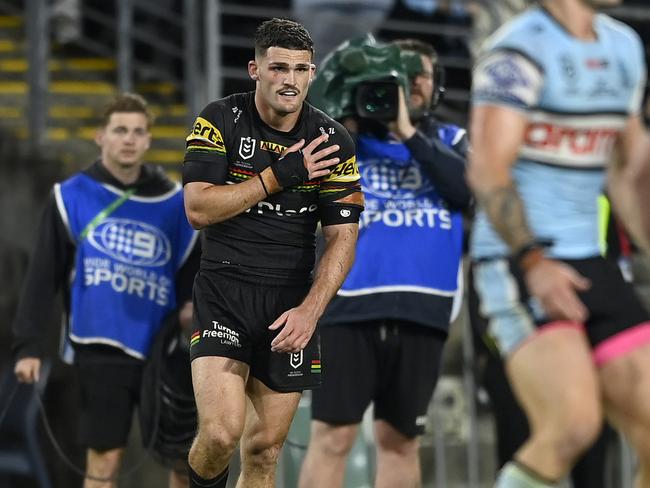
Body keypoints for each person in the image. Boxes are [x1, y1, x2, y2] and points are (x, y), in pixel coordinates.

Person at [467, 0, 650, 486]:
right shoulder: (516, 51)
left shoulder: (624, 45)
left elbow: (628, 172)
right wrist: (533, 261)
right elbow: (487, 169)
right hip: (516, 259)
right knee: (573, 423)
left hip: (590, 258)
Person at [182, 18, 364, 488]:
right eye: (278, 67)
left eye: (299, 69)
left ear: (312, 74)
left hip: (289, 301)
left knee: (264, 452)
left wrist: (311, 311)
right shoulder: (220, 118)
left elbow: (342, 239)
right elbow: (198, 208)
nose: (289, 79)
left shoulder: (333, 141)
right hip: (224, 290)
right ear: (255, 69)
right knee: (221, 434)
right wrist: (278, 176)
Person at [298, 37, 470, 488]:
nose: (412, 84)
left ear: (438, 86)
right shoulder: (345, 140)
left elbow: (467, 191)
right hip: (347, 307)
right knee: (332, 437)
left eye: (422, 75)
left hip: (423, 311)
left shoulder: (452, 140)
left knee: (401, 442)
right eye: (402, 75)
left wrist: (408, 132)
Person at [12, 93, 199, 488]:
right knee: (104, 461)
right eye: (119, 130)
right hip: (99, 346)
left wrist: (191, 317)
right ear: (101, 137)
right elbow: (42, 276)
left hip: (164, 350)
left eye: (137, 131)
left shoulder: (176, 202)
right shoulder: (72, 196)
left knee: (184, 459)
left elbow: (191, 276)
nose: (128, 139)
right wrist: (28, 346)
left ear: (148, 140)